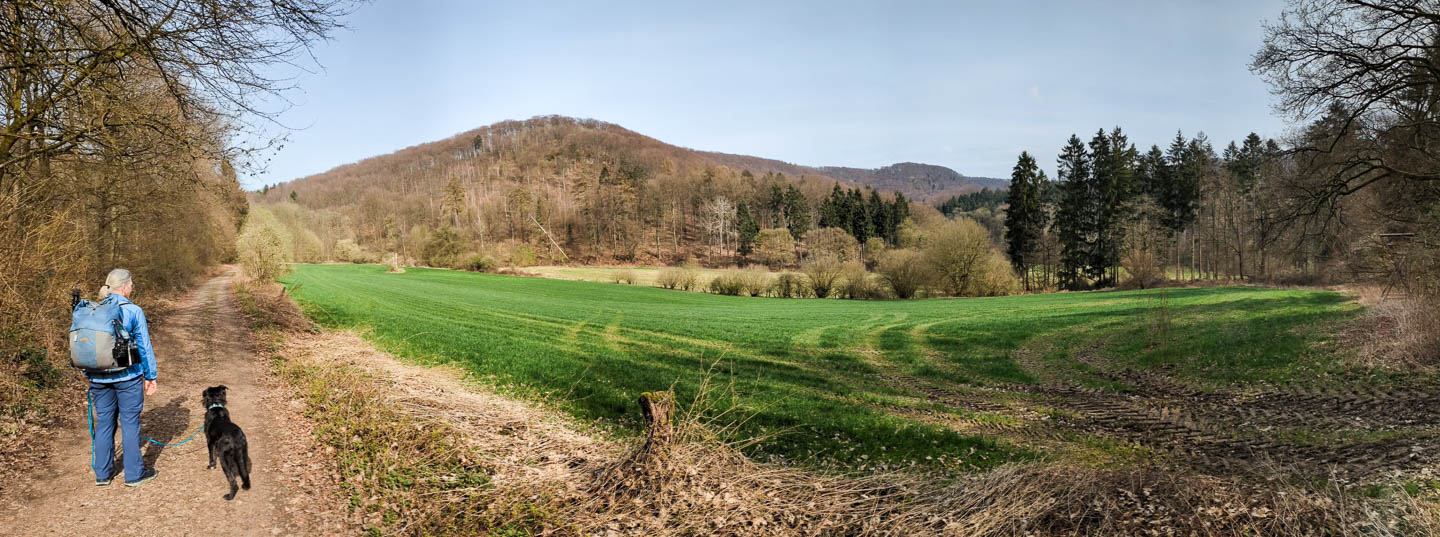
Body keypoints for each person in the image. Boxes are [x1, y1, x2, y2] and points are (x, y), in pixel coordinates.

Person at [87, 268, 159, 487]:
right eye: (132, 284)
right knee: (129, 423)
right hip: (128, 377)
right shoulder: (133, 311)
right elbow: (144, 347)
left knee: (105, 424)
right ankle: (134, 474)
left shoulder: (93, 309)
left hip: (98, 378)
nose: (132, 287)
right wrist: (151, 375)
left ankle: (103, 474)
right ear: (125, 287)